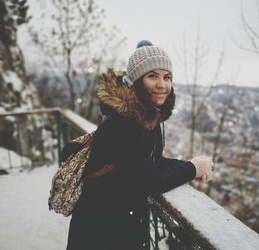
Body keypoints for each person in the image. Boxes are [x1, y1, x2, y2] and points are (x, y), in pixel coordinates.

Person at [66, 40, 213, 250]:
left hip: (114, 224)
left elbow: (147, 161)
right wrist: (192, 168)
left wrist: (189, 165)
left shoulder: (144, 116)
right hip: (101, 232)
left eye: (167, 77)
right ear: (136, 80)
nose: (162, 84)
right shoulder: (124, 122)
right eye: (152, 76)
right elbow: (149, 181)